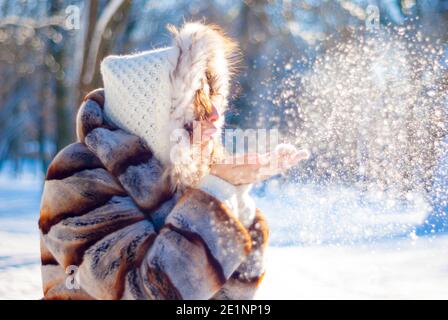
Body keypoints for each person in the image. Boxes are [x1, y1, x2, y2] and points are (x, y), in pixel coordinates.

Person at [39, 22, 308, 300]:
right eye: (199, 98)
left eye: (214, 98)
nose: (215, 113)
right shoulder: (78, 175)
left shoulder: (187, 182)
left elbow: (235, 295)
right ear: (152, 113)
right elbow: (146, 293)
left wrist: (236, 195)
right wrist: (216, 191)